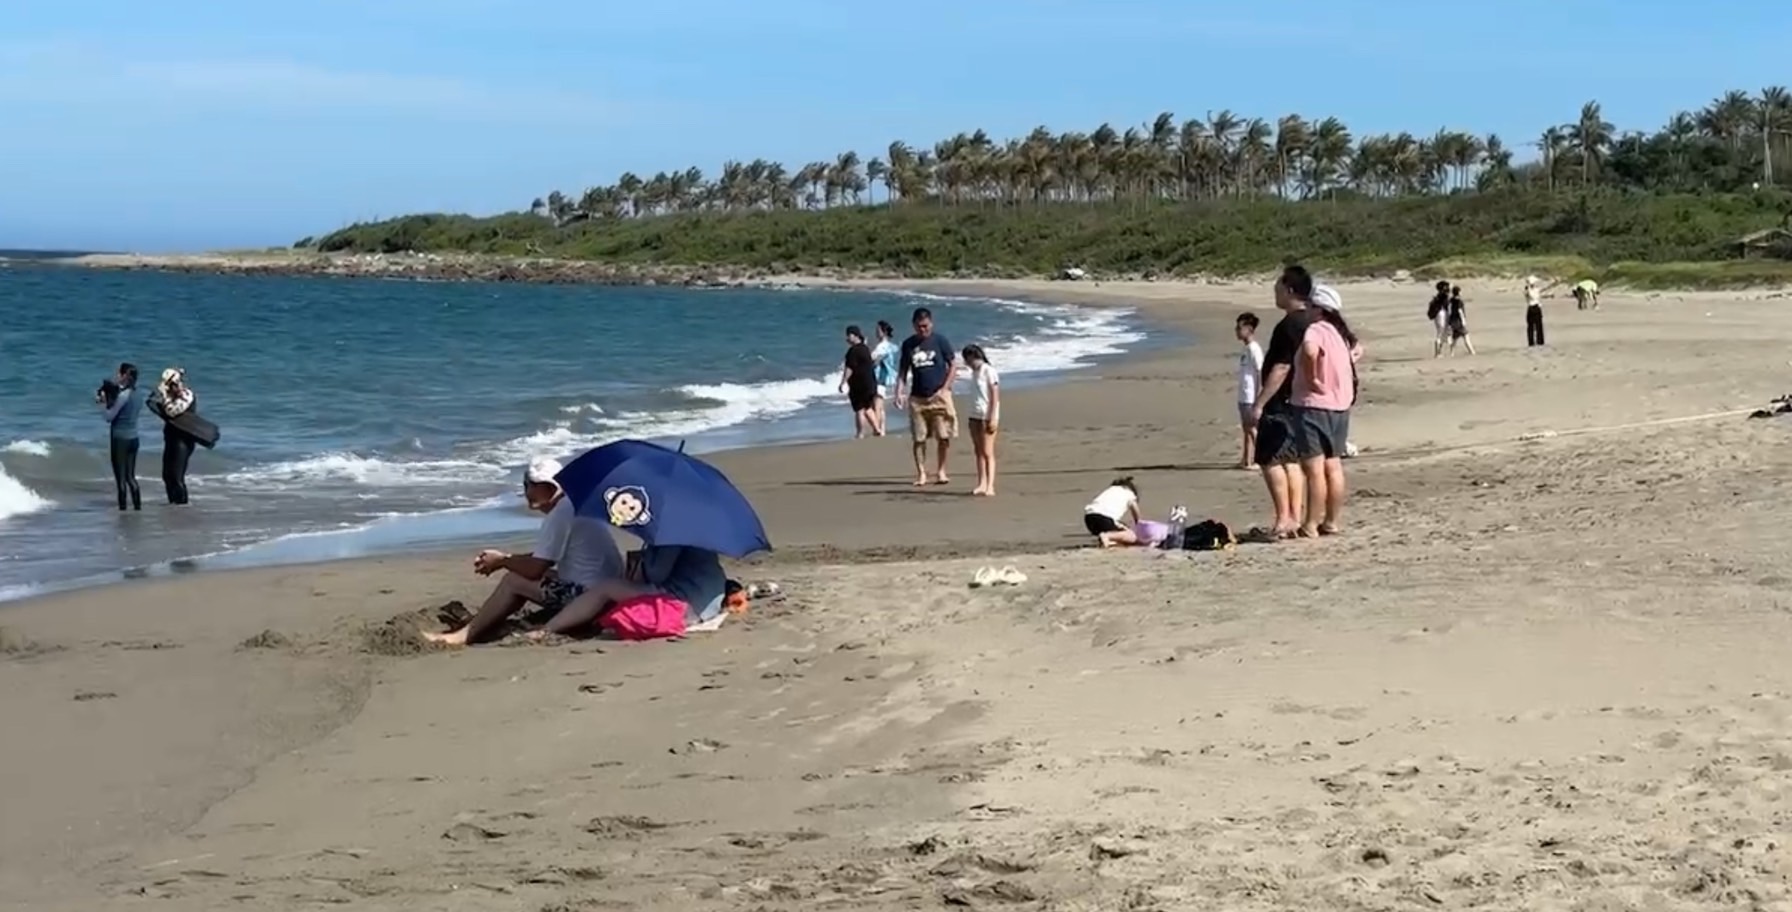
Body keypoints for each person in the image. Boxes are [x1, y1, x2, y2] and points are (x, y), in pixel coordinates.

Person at [425, 456, 625, 647]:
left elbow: (534, 570)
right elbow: (546, 558)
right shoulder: (575, 505)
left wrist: (502, 560)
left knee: (514, 580)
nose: (531, 492)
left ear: (555, 488)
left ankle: (464, 635)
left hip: (587, 598)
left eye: (536, 486)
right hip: (603, 592)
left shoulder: (560, 514)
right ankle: (488, 620)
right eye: (530, 485)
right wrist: (504, 559)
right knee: (531, 570)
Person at [1246, 265, 1316, 539]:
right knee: (1291, 460)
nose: (1274, 294)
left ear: (1289, 290)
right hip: (1301, 399)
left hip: (1282, 399)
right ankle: (1294, 517)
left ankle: (1284, 517)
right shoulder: (1313, 320)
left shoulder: (1289, 325)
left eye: (1277, 289)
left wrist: (1260, 403)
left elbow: (1281, 367)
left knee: (1270, 459)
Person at [533, 543, 729, 637]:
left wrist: (646, 556)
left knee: (606, 587)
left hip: (685, 603)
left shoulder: (670, 537)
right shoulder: (695, 530)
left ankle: (548, 629)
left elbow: (656, 573)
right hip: (710, 600)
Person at [1290, 285, 1362, 538]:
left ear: (1318, 309)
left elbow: (1310, 351)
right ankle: (1331, 521)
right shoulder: (1339, 334)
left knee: (1314, 469)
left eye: (1310, 306)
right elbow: (1356, 353)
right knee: (1333, 465)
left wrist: (1312, 379)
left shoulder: (1316, 330)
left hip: (1313, 406)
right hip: (1340, 406)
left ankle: (1310, 524)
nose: (1307, 310)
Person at [895, 306, 957, 486]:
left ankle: (941, 471)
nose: (923, 329)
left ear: (931, 323)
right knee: (919, 438)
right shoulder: (908, 344)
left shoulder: (940, 341)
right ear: (913, 325)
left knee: (943, 436)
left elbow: (953, 365)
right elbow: (902, 372)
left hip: (938, 395)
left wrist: (945, 388)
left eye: (926, 326)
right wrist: (899, 392)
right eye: (919, 326)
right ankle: (921, 473)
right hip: (917, 398)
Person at [149, 367, 199, 504]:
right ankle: (173, 504)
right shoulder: (171, 397)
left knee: (177, 477)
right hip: (172, 439)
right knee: (167, 475)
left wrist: (165, 396)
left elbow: (172, 411)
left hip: (183, 441)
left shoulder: (187, 395)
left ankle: (182, 506)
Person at [98, 362, 143, 512]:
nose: (117, 376)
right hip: (134, 438)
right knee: (131, 477)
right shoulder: (138, 394)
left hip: (120, 439)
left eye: (119, 374)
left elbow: (109, 417)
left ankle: (123, 513)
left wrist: (104, 403)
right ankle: (138, 510)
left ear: (125, 376)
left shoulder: (123, 395)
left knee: (121, 481)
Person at [963, 344, 1000, 496]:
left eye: (968, 359)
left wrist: (992, 416)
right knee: (978, 451)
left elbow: (994, 395)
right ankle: (981, 483)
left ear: (974, 357)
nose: (967, 363)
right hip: (974, 415)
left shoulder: (988, 371)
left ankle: (990, 485)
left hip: (987, 415)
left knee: (987, 451)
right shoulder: (974, 373)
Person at [1234, 312, 1265, 468]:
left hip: (1251, 396)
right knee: (1246, 428)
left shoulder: (1254, 349)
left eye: (1240, 328)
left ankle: (1263, 456)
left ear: (1249, 329)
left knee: (1252, 429)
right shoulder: (1246, 349)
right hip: (1244, 395)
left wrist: (1258, 397)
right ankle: (1247, 459)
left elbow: (1260, 372)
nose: (1237, 331)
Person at [837, 325, 879, 439]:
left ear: (855, 336)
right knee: (868, 407)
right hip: (870, 383)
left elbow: (849, 368)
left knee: (859, 409)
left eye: (849, 335)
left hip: (858, 385)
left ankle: (860, 433)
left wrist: (843, 382)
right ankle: (877, 429)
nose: (847, 338)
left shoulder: (853, 351)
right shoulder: (865, 349)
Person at [1083, 476, 1142, 548]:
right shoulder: (1130, 494)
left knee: (1119, 531)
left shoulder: (1111, 490)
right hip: (1104, 517)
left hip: (1089, 517)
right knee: (1132, 536)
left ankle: (1108, 540)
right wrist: (1139, 525)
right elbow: (1135, 511)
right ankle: (1107, 536)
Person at [869, 320, 900, 436]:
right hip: (887, 377)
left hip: (878, 377)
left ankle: (876, 429)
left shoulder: (881, 347)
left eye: (878, 330)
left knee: (877, 404)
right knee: (880, 405)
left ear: (883, 332)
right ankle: (882, 429)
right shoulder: (892, 346)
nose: (876, 332)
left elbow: (874, 361)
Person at [1446, 285, 1476, 356]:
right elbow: (1460, 311)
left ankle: (1451, 353)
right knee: (1466, 337)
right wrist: (1463, 321)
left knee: (1455, 339)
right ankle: (1472, 352)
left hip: (1453, 322)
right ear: (1459, 292)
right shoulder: (1459, 301)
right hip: (1459, 322)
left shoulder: (1452, 300)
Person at [1426, 280, 1451, 358]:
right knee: (1441, 333)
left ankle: (1439, 352)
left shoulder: (1438, 296)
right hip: (1442, 314)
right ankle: (1438, 353)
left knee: (1441, 332)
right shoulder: (1443, 295)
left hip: (1438, 315)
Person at [1525, 275, 1546, 347]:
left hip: (1536, 307)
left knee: (1538, 326)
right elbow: (1529, 295)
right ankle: (1532, 342)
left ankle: (1539, 342)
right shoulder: (1528, 290)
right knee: (1531, 327)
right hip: (1532, 308)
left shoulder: (1536, 289)